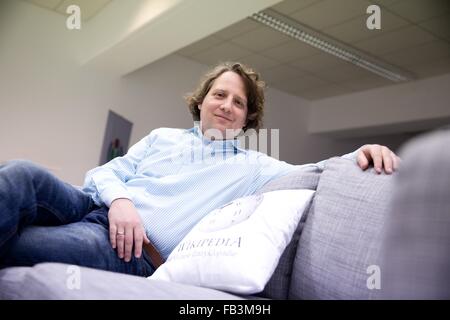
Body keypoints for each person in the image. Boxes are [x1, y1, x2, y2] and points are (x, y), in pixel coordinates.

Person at [0, 62, 400, 277]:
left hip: (132, 251)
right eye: (219, 95)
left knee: (26, 247)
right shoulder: (163, 137)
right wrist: (120, 200)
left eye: (238, 102)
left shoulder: (255, 166)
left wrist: (364, 150)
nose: (226, 105)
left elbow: (317, 171)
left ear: (248, 118)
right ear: (202, 102)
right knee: (19, 173)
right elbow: (103, 173)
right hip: (93, 205)